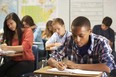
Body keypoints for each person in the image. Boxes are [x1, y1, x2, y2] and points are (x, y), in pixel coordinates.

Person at [48, 16, 116, 77]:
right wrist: (57, 64)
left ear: (90, 31)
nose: (77, 40)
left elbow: (108, 67)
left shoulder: (101, 42)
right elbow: (51, 59)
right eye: (74, 35)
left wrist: (76, 66)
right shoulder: (69, 40)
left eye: (81, 36)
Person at [0, 12, 35, 77]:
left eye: (11, 23)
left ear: (16, 21)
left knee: (10, 73)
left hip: (27, 61)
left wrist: (7, 48)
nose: (10, 26)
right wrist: (4, 45)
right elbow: (4, 43)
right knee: (1, 70)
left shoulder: (28, 31)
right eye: (8, 25)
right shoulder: (11, 34)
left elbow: (23, 47)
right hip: (14, 60)